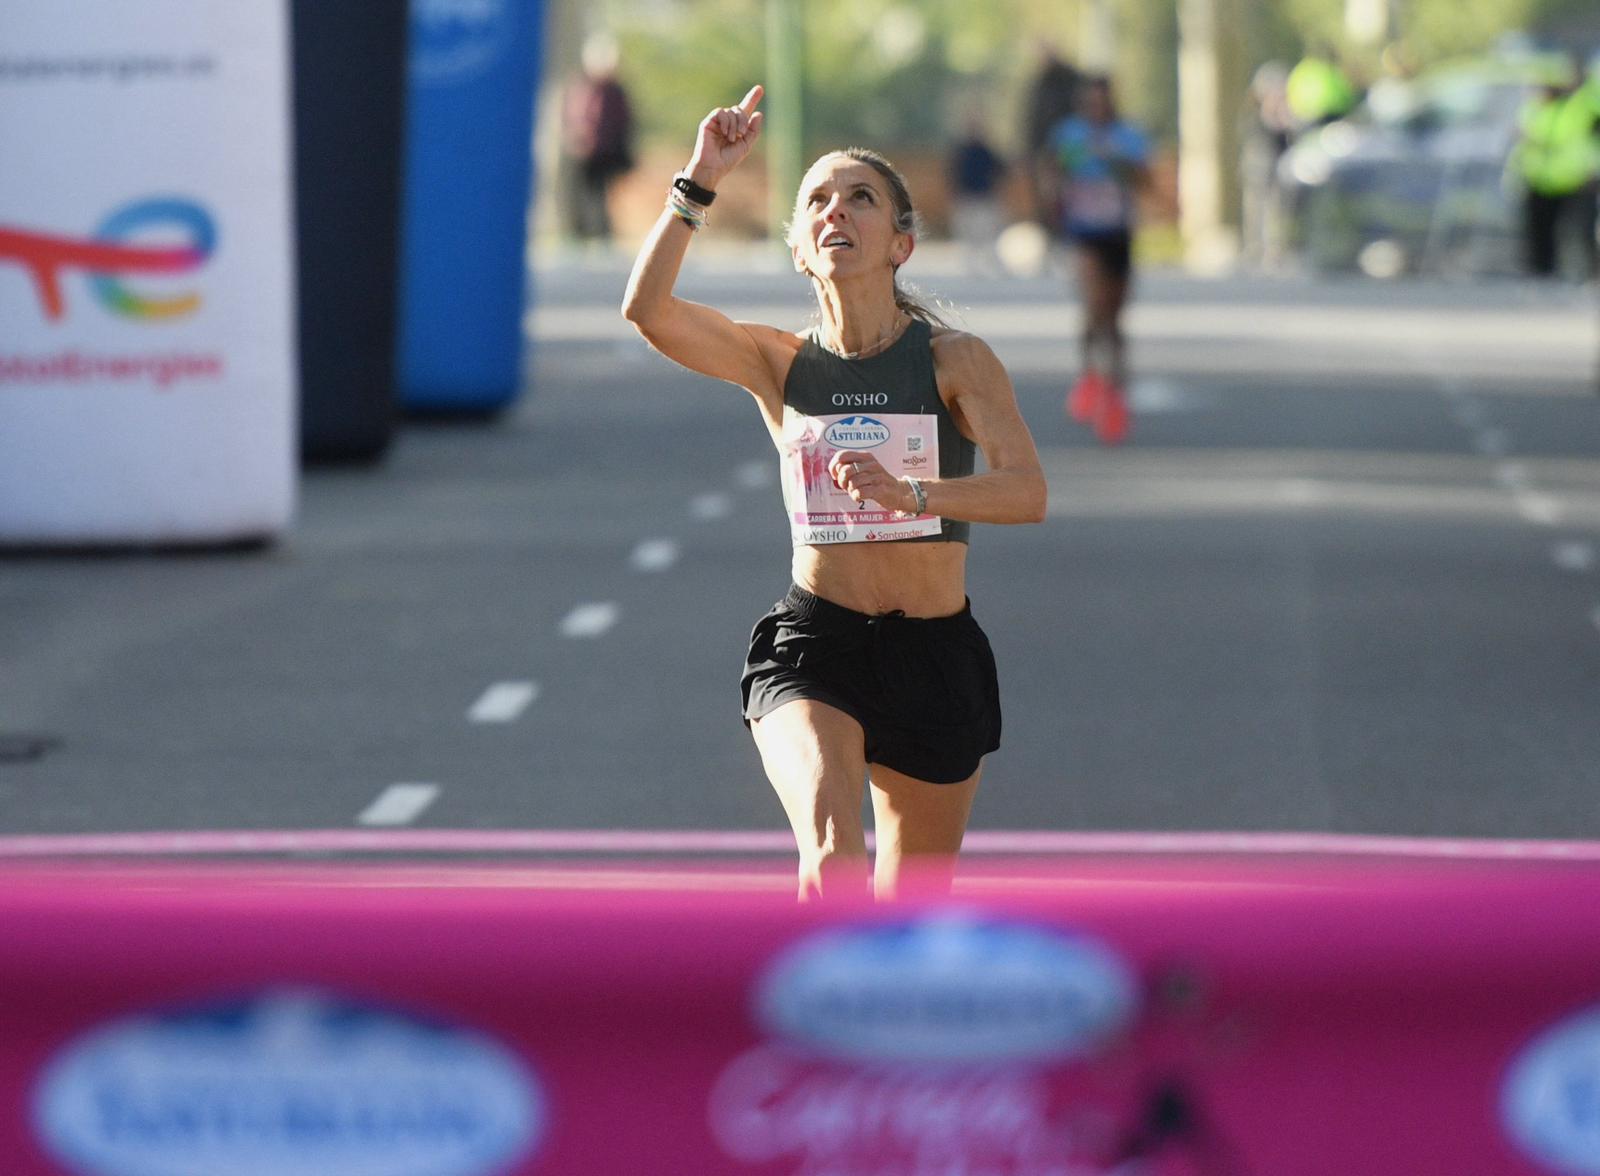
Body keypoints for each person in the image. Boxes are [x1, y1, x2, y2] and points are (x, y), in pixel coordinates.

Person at [621, 86, 1047, 902]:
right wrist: (699, 180)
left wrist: (913, 494)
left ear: (901, 244)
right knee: (830, 852)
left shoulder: (956, 360)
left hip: (934, 653)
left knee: (909, 911)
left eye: (861, 198)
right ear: (800, 250)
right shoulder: (777, 363)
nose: (836, 211)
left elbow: (1028, 492)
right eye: (817, 199)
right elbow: (648, 311)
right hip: (818, 647)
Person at [1043, 75, 1150, 445]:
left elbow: (1145, 181)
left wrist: (1117, 164)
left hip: (1118, 233)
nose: (1097, 108)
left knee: (1115, 318)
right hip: (1083, 232)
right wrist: (1054, 209)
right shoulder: (1069, 136)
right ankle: (1089, 376)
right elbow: (1052, 174)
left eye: (1102, 101)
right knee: (1094, 306)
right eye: (1090, 101)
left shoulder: (1128, 136)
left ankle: (1115, 396)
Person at [1512, 58, 1600, 280]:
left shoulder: (1582, 105)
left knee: (1583, 232)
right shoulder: (1537, 107)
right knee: (1540, 234)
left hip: (1577, 180)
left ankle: (1590, 273)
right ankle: (1542, 273)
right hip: (1540, 180)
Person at [558, 34, 635, 244]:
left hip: (605, 152)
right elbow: (570, 115)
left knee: (600, 195)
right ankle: (576, 233)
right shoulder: (579, 86)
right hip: (579, 150)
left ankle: (600, 235)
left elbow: (623, 122)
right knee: (575, 193)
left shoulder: (616, 92)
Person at [946, 112, 1008, 275]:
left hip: (985, 196)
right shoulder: (961, 151)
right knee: (969, 234)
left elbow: (1001, 170)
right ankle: (972, 266)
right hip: (967, 197)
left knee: (990, 233)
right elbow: (953, 174)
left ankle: (993, 264)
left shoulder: (986, 150)